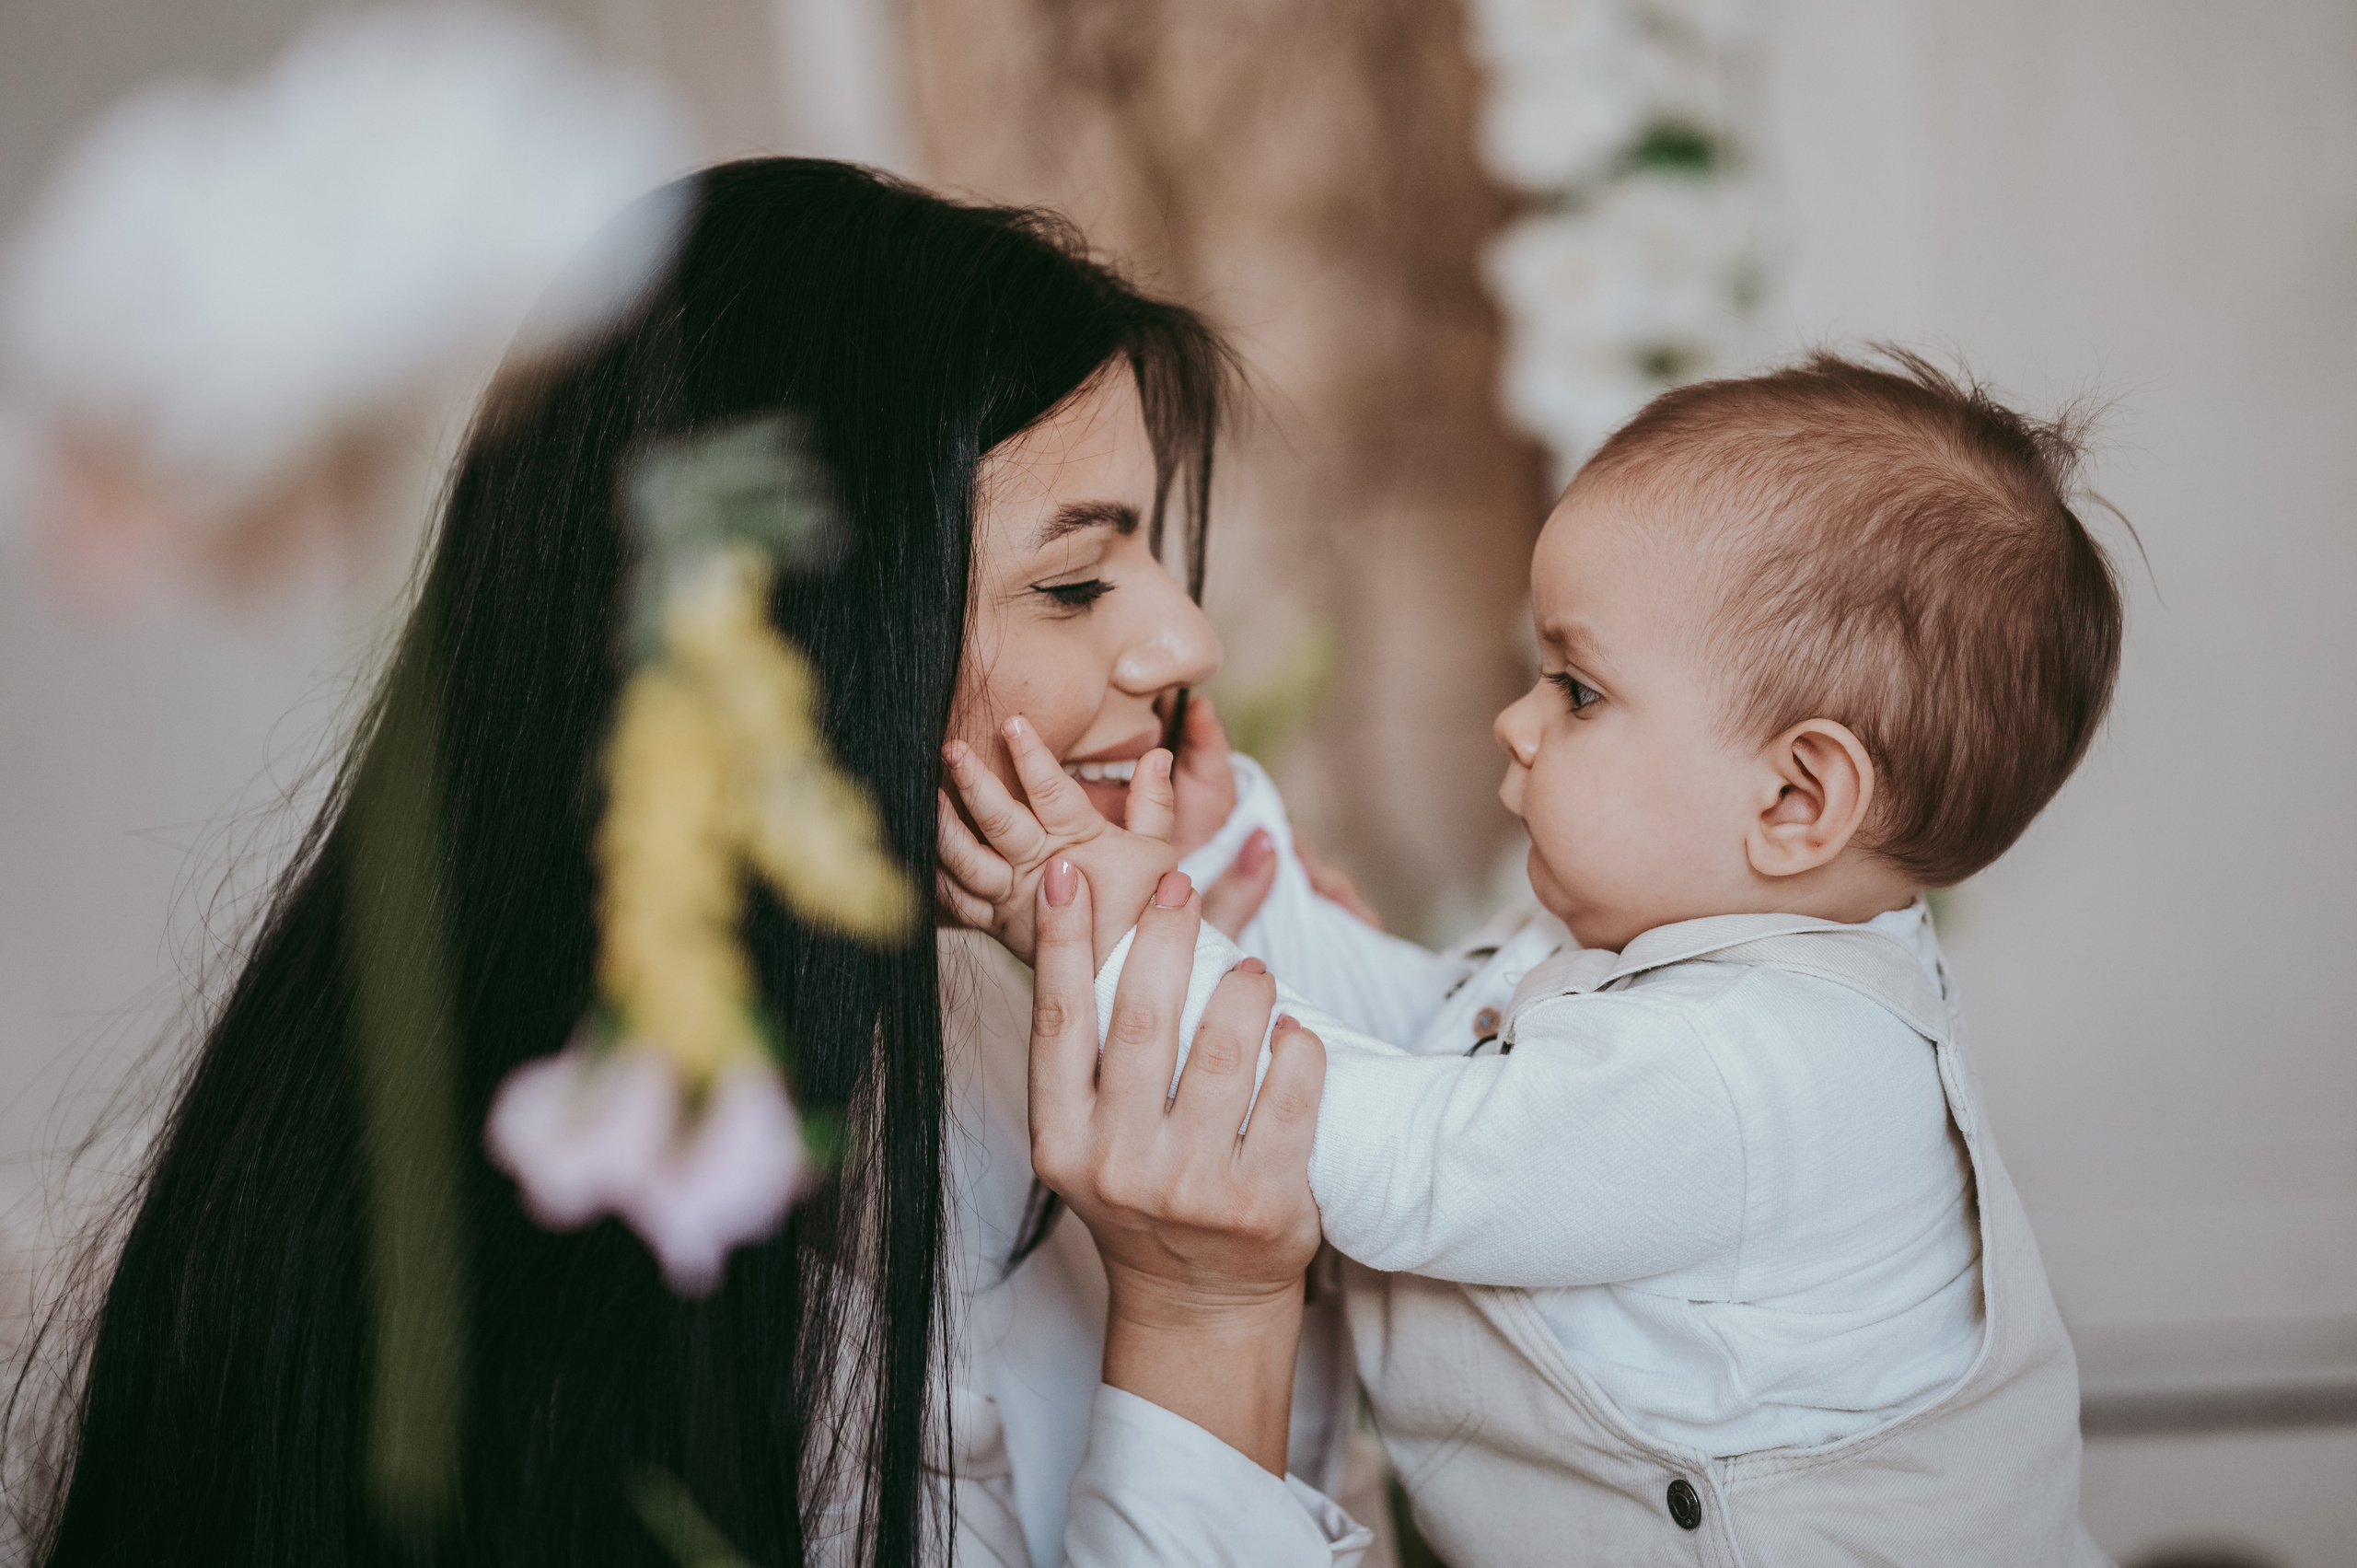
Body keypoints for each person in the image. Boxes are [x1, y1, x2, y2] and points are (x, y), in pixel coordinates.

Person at [17, 158, 1377, 1566]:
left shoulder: (989, 1038)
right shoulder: (569, 1266)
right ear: (801, 634)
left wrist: (1337, 1126)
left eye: (1148, 553)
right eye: (1076, 582)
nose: (1187, 644)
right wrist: (1203, 1311)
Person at [947, 351, 2122, 1564]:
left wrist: (1100, 926)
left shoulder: (1757, 1071)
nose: (1517, 720)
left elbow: (1389, 1155)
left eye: (1577, 688)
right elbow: (1416, 1035)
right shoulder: (1669, 961)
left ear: (1794, 795)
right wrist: (1224, 850)